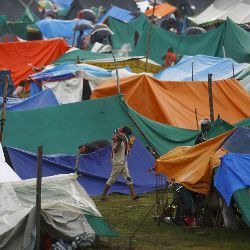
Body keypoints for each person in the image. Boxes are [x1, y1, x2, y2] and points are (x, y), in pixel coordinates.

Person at [100, 126, 141, 201]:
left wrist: (130, 144)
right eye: (127, 134)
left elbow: (127, 152)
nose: (128, 136)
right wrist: (119, 141)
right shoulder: (116, 139)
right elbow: (115, 150)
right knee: (112, 179)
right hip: (117, 161)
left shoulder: (125, 140)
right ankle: (103, 195)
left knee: (128, 178)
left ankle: (133, 195)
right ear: (124, 132)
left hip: (123, 161)